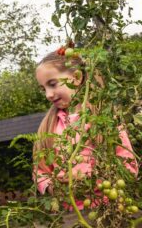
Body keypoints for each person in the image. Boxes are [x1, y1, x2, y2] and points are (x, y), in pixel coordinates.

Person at [33, 49, 138, 209]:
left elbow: (129, 165)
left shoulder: (104, 119)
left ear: (76, 77)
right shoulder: (48, 127)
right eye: (43, 89)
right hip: (70, 214)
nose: (48, 94)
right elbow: (40, 171)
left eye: (52, 84)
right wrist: (52, 187)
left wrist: (93, 179)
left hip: (108, 208)